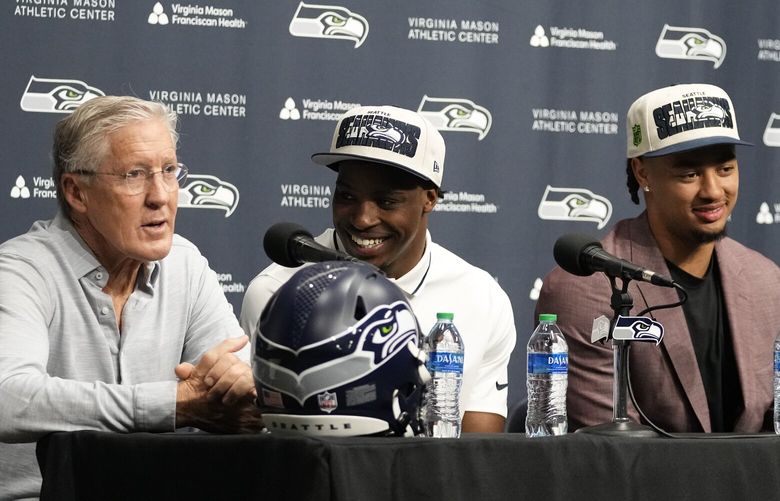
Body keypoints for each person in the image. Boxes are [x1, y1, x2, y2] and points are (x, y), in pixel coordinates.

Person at [0, 96, 263, 499]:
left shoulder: (185, 265)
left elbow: (238, 382)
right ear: (76, 192)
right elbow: (9, 397)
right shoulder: (20, 270)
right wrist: (173, 405)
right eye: (134, 175)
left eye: (169, 171)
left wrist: (239, 387)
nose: (160, 196)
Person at [240, 105, 516, 433]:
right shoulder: (279, 294)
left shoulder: (481, 297)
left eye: (386, 202)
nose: (362, 219)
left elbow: (479, 449)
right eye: (346, 196)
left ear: (429, 198)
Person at [536, 83, 780, 433]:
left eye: (725, 169)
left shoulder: (766, 280)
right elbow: (615, 451)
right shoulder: (585, 290)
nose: (713, 191)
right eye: (689, 174)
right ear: (643, 173)